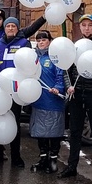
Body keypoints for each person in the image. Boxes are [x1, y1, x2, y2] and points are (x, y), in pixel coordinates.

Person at [0, 15, 45, 167]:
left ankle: (16, 156)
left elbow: (28, 65)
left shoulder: (23, 43)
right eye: (8, 26)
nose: (10, 28)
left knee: (14, 123)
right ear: (4, 28)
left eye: (13, 26)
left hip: (15, 90)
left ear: (17, 29)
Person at [59, 14, 92, 184]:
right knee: (74, 132)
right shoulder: (75, 46)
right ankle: (71, 167)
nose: (87, 28)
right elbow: (66, 69)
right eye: (84, 25)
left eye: (90, 25)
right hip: (76, 94)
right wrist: (68, 85)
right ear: (80, 27)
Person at [29, 30, 66, 173]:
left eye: (44, 39)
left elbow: (60, 74)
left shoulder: (55, 57)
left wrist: (58, 87)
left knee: (54, 131)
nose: (41, 42)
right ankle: (43, 158)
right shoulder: (33, 57)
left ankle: (53, 159)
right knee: (41, 132)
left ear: (50, 40)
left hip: (53, 100)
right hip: (39, 100)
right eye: (39, 40)